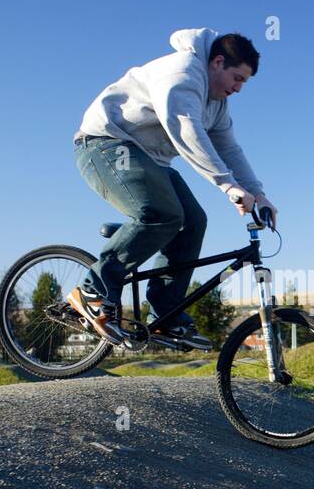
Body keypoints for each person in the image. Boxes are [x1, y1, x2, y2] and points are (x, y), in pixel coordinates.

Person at [68, 28, 277, 350]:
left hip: (150, 158)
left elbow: (230, 149)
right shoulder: (182, 74)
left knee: (193, 221)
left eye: (244, 83)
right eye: (237, 79)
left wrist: (258, 193)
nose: (238, 89)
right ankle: (93, 289)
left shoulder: (217, 105)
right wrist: (228, 186)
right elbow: (186, 130)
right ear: (217, 62)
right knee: (161, 213)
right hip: (106, 144)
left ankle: (165, 315)